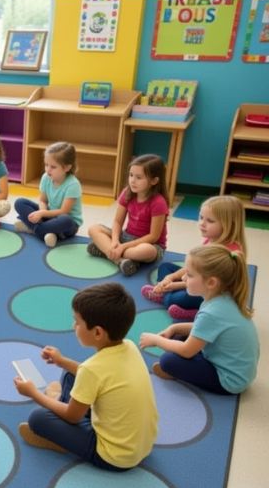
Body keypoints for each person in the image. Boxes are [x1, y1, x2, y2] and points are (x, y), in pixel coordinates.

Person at [15, 283, 158, 471]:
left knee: (38, 418)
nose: (73, 326)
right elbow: (96, 376)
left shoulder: (92, 369)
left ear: (97, 332)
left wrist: (33, 393)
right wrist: (61, 361)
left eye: (77, 322)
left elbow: (72, 416)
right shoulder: (129, 346)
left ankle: (60, 437)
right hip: (142, 444)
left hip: (114, 457)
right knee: (70, 375)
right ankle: (59, 402)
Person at [139, 245, 259, 395]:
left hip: (230, 379)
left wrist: (156, 340)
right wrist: (174, 328)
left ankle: (177, 372)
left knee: (167, 361)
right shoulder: (222, 299)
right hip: (235, 367)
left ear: (211, 283)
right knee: (177, 333)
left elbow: (187, 351)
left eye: (189, 275)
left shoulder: (212, 312)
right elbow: (205, 328)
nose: (183, 278)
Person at [141, 195, 247, 321]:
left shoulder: (226, 253)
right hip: (197, 281)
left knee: (181, 298)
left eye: (210, 221)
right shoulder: (210, 239)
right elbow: (192, 269)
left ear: (229, 224)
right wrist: (170, 278)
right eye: (201, 218)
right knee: (165, 267)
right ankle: (168, 295)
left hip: (210, 293)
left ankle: (189, 309)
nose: (202, 223)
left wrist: (172, 286)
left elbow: (204, 284)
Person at [86, 154, 169, 276]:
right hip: (126, 237)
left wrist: (123, 246)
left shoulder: (158, 202)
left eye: (139, 177)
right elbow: (117, 222)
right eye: (131, 175)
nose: (132, 180)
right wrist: (115, 241)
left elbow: (153, 236)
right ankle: (120, 260)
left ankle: (106, 251)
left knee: (145, 251)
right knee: (93, 229)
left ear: (154, 181)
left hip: (150, 244)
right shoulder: (127, 192)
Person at [13, 141, 83, 247]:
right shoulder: (46, 177)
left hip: (67, 223)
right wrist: (41, 212)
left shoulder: (73, 184)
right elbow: (43, 201)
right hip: (49, 215)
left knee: (66, 220)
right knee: (20, 202)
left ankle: (32, 228)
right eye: (46, 165)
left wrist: (42, 214)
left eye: (53, 167)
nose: (48, 170)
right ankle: (48, 232)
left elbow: (63, 211)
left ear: (67, 168)